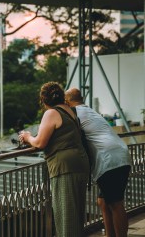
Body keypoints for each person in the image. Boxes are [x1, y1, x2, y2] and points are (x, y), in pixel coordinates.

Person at [19, 82, 90, 237]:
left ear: (44, 101)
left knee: (66, 217)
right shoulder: (70, 111)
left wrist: (27, 137)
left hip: (64, 167)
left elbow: (40, 142)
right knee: (76, 215)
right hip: (80, 163)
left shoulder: (51, 113)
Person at [65, 87, 131, 237]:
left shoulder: (73, 113)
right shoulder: (90, 111)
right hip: (119, 153)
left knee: (116, 203)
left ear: (67, 101)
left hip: (109, 159)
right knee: (103, 201)